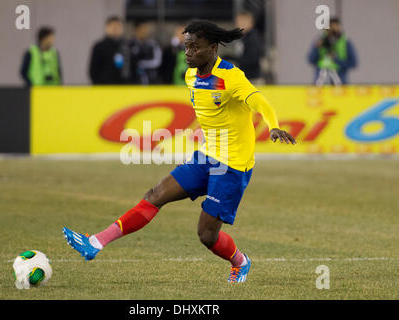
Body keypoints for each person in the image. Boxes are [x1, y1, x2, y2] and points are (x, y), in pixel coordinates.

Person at [63, 20, 296, 283]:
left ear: (213, 47)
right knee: (155, 194)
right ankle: (95, 242)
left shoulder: (230, 76)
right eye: (186, 47)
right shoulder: (190, 75)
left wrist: (274, 126)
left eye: (195, 47)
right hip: (207, 156)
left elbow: (259, 100)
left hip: (232, 165)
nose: (188, 53)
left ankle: (240, 261)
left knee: (206, 235)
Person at [307, 17, 357, 85]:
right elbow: (311, 59)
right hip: (321, 81)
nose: (331, 31)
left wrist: (336, 59)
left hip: (340, 82)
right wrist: (316, 48)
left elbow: (353, 63)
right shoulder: (320, 40)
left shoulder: (345, 42)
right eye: (329, 28)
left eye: (334, 28)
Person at [89, 16, 129, 84]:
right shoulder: (99, 46)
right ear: (107, 27)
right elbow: (93, 70)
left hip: (123, 87)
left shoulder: (126, 46)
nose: (116, 28)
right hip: (105, 87)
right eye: (113, 26)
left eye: (118, 26)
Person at [234, 11, 264, 83]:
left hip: (253, 78)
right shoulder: (241, 38)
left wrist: (234, 59)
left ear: (251, 24)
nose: (240, 24)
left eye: (243, 22)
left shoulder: (253, 38)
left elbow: (254, 57)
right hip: (245, 76)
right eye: (238, 22)